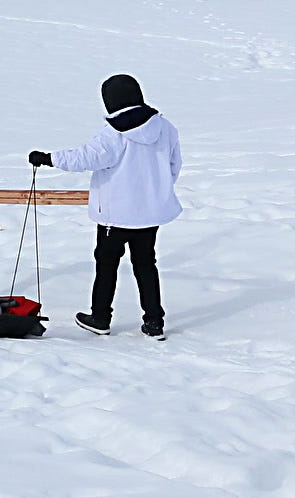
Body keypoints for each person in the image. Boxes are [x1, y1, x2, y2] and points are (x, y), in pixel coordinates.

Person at [29, 73, 181, 339]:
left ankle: (100, 318)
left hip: (116, 216)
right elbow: (173, 166)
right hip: (149, 215)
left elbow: (85, 158)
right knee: (146, 265)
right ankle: (154, 322)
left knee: (107, 265)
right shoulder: (165, 128)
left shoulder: (114, 134)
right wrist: (154, 192)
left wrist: (48, 158)